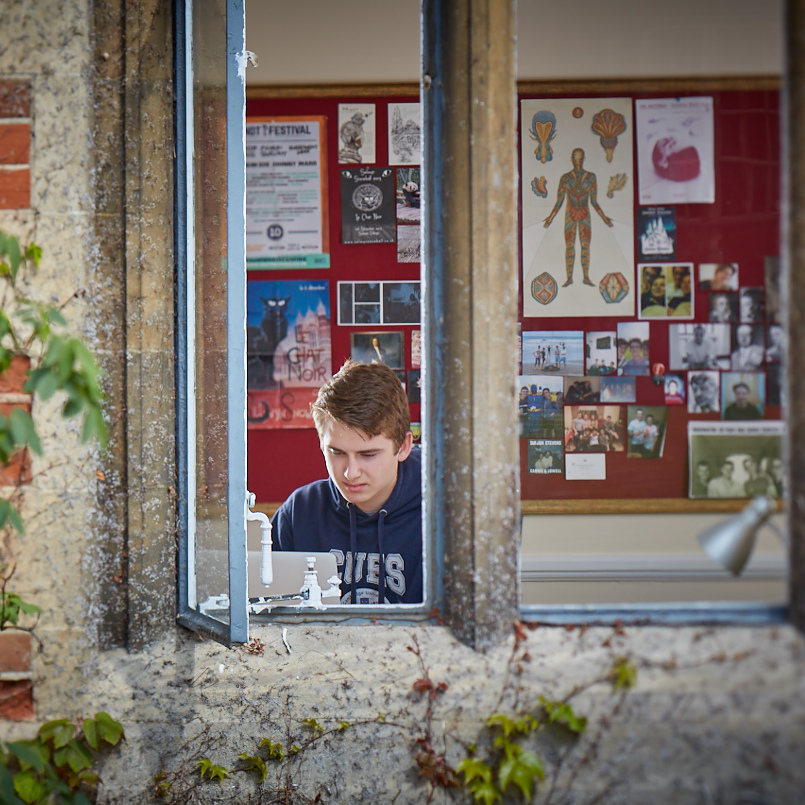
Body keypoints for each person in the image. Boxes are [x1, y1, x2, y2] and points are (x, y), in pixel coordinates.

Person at [271, 360, 422, 604]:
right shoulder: (298, 513)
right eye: (337, 452)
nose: (351, 473)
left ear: (403, 447)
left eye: (368, 455)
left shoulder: (442, 515)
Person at [543, 147, 613, 287]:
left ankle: (586, 276)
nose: (578, 163)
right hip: (570, 214)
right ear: (572, 160)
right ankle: (569, 277)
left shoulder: (591, 177)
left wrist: (604, 217)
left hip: (585, 215)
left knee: (585, 245)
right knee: (569, 246)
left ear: (583, 160)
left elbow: (593, 201)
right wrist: (550, 217)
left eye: (580, 159)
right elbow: (559, 201)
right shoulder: (565, 178)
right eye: (576, 160)